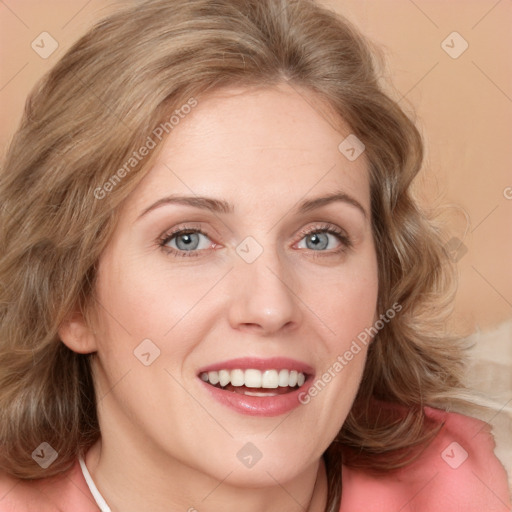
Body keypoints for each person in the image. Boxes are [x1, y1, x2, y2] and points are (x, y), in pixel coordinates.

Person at [0, 0, 509, 511]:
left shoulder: (462, 484)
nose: (270, 308)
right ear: (71, 299)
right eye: (188, 239)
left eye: (319, 238)